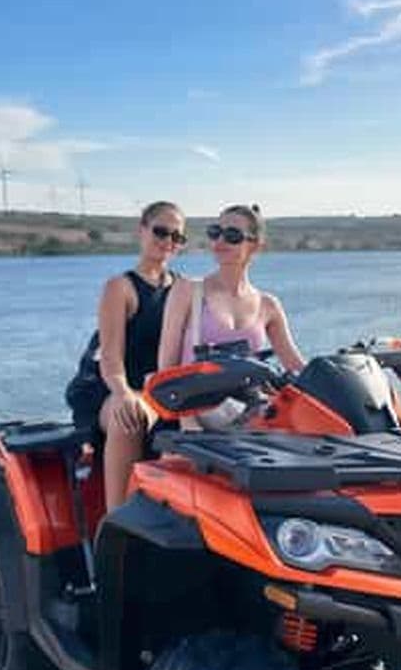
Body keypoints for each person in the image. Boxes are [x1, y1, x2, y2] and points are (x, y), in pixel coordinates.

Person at [66, 200, 187, 509]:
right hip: (115, 386)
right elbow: (110, 357)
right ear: (142, 231)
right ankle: (117, 517)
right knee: (128, 416)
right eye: (161, 232)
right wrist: (122, 393)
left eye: (177, 236)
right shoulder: (120, 288)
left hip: (165, 393)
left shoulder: (185, 289)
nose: (168, 241)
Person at [158, 204, 305, 380]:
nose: (220, 240)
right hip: (194, 397)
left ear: (255, 246)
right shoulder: (187, 291)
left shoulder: (268, 306)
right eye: (215, 232)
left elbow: (298, 369)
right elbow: (165, 374)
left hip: (252, 397)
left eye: (232, 236)